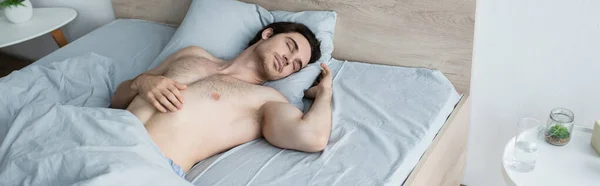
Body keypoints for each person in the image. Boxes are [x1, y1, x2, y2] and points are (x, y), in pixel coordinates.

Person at [110, 22, 332, 178]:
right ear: (267, 34)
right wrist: (142, 81)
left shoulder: (266, 100)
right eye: (289, 46)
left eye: (295, 65)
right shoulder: (192, 55)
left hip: (146, 169)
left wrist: (325, 92)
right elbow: (117, 101)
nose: (288, 59)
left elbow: (313, 137)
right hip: (104, 134)